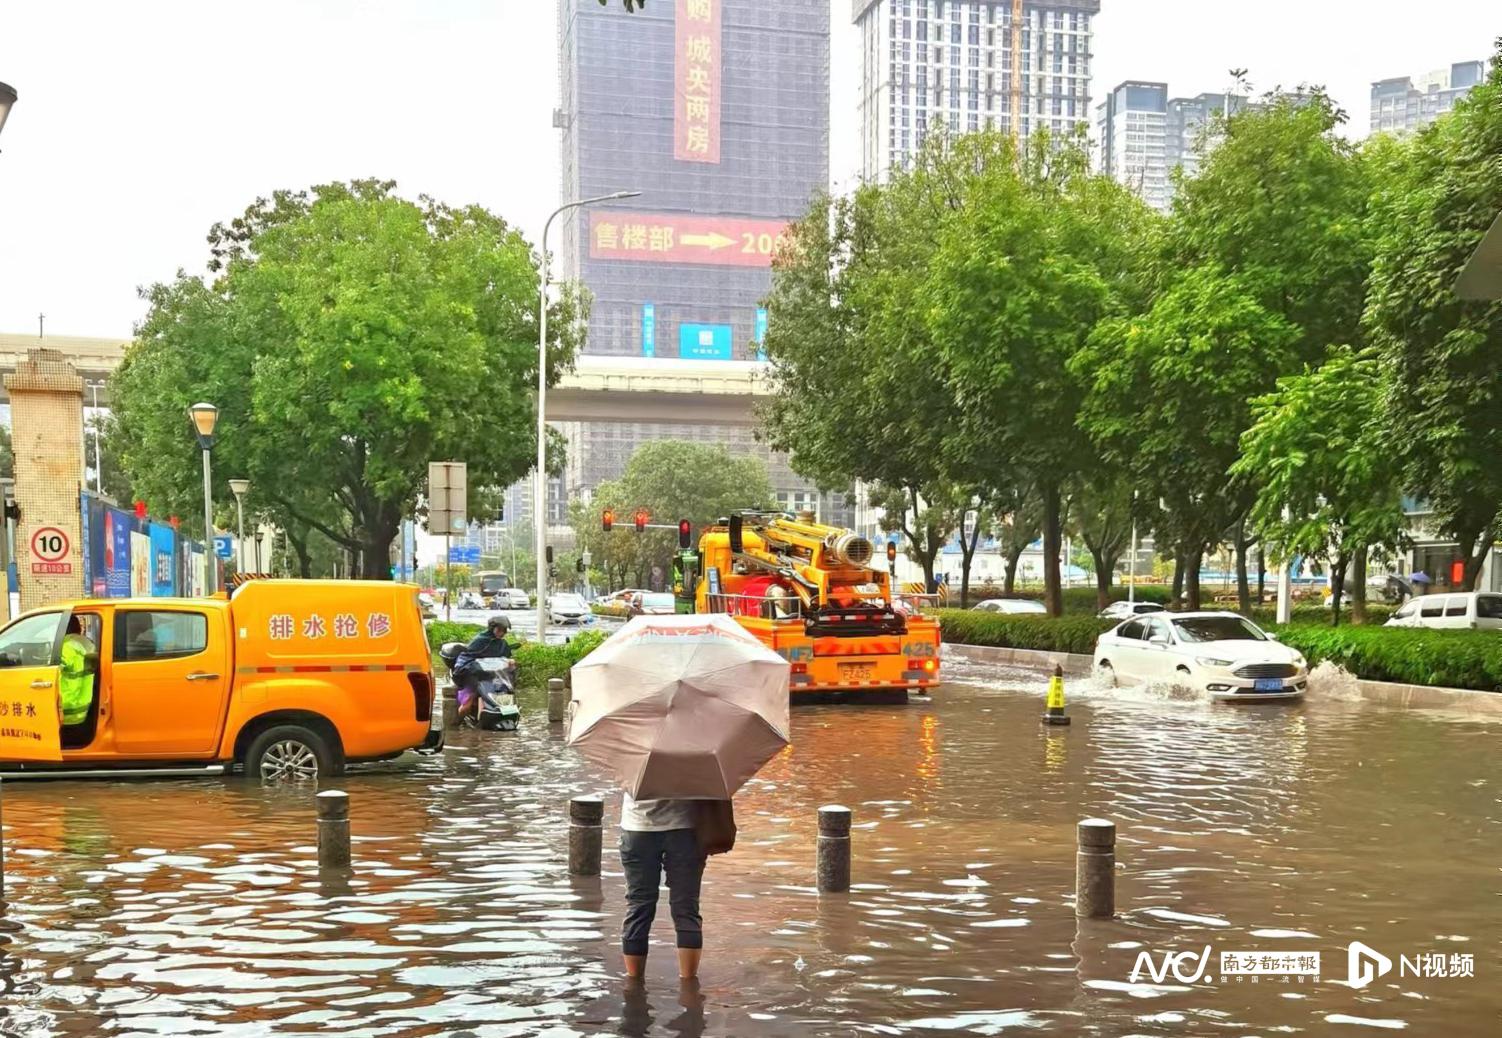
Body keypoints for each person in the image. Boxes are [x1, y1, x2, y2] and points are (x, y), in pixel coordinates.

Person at [619, 793, 707, 983]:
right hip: (685, 827)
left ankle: (634, 986)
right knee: (686, 909)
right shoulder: (695, 760)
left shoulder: (634, 761)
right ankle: (689, 986)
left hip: (638, 827)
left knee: (638, 907)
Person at [453, 615, 512, 724]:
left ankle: (485, 721)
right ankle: (456, 723)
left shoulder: (502, 643)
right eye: (499, 630)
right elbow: (468, 656)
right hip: (473, 674)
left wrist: (510, 662)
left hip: (491, 676)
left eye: (504, 630)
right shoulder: (480, 640)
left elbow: (506, 656)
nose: (502, 633)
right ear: (492, 628)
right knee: (468, 703)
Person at [59, 617, 97, 728]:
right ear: (79, 628)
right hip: (85, 708)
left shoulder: (65, 647)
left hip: (68, 712)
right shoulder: (89, 645)